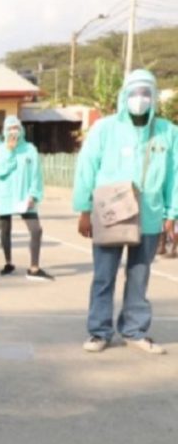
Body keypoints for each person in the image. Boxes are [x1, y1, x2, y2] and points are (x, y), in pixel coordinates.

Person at [73, 68, 176, 355]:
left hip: (151, 213)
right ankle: (99, 331)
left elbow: (175, 174)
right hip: (111, 213)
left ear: (154, 96)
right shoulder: (105, 128)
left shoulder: (168, 131)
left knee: (140, 276)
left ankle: (134, 329)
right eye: (134, 92)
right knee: (104, 275)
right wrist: (83, 209)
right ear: (124, 95)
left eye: (146, 92)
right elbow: (87, 168)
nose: (140, 98)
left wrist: (172, 212)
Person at [0, 116, 52, 281]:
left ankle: (34, 267)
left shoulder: (30, 149)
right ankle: (8, 262)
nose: (13, 131)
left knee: (36, 230)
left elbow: (36, 175)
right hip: (5, 196)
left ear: (21, 129)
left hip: (24, 197)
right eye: (10, 128)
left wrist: (34, 194)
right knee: (5, 230)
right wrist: (10, 152)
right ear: (4, 131)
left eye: (16, 127)